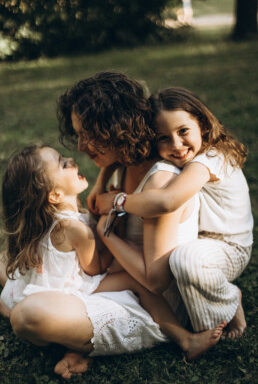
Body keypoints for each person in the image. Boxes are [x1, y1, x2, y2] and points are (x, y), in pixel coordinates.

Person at [0, 144, 226, 379]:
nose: (72, 160)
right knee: (135, 281)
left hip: (50, 288)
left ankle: (74, 350)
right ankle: (185, 338)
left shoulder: (49, 221)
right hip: (73, 289)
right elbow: (96, 267)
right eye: (63, 163)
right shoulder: (74, 229)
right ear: (55, 195)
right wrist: (111, 228)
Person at [95, 86, 253, 339]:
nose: (176, 145)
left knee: (184, 259)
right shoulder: (187, 156)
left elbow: (165, 202)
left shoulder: (210, 158)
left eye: (183, 131)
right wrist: (100, 181)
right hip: (205, 241)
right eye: (163, 138)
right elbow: (120, 156)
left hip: (230, 246)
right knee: (183, 259)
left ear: (201, 123)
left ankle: (226, 305)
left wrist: (118, 202)